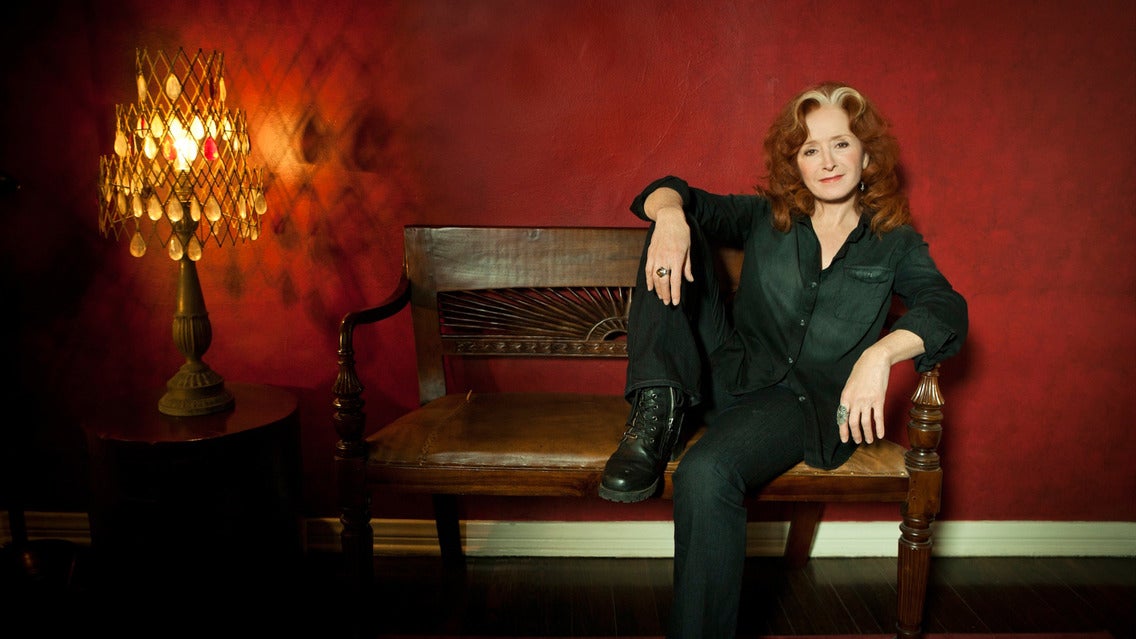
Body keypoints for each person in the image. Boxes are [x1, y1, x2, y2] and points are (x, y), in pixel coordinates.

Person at [597, 81, 969, 638]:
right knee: (671, 228)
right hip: (728, 370)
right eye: (811, 149)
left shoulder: (895, 243)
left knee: (706, 472)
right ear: (796, 162)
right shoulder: (766, 217)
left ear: (867, 156)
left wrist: (880, 354)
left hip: (800, 405)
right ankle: (658, 406)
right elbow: (664, 191)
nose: (827, 162)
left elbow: (947, 308)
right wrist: (671, 219)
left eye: (841, 144)